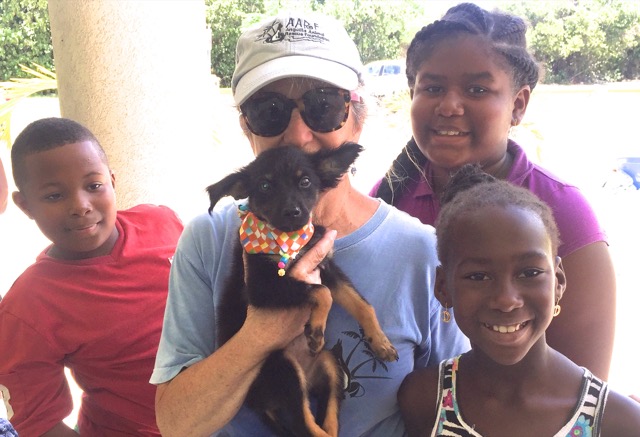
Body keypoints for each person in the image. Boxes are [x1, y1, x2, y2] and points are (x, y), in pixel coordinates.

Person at [151, 11, 469, 437]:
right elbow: (176, 424)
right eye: (270, 112)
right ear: (247, 128)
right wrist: (262, 333)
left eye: (324, 107)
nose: (299, 136)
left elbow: (457, 404)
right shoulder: (209, 240)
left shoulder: (421, 250)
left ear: (358, 115)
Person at [371, 2, 615, 380]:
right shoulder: (387, 201)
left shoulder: (563, 211)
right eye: (432, 87)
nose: (449, 106)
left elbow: (584, 393)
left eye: (477, 89)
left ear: (518, 105)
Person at [398, 164, 640, 437]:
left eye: (530, 272)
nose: (506, 300)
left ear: (558, 282)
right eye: (478, 276)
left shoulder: (616, 422)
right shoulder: (424, 400)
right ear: (443, 288)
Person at [0, 117, 183, 436]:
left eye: (93, 185)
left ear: (112, 181)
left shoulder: (161, 223)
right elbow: (39, 424)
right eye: (54, 196)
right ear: (25, 205)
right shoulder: (28, 306)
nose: (80, 206)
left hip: (232, 413)